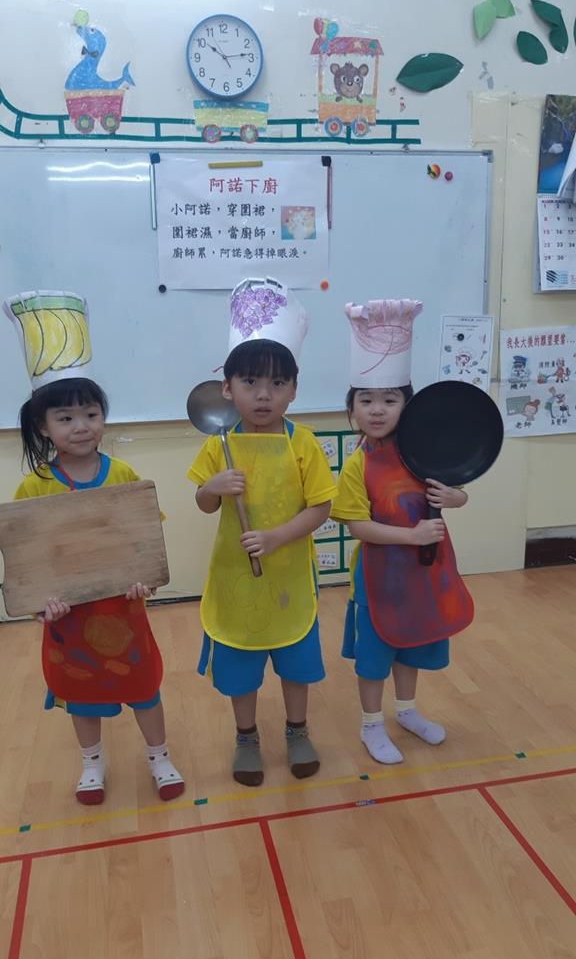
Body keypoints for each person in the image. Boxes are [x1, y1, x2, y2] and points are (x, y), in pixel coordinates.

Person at [4, 290, 185, 805]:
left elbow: (144, 540)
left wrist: (145, 581)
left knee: (143, 686)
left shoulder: (123, 475)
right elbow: (28, 557)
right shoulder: (35, 487)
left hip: (122, 608)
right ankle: (91, 763)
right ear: (43, 427)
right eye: (65, 418)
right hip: (69, 617)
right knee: (80, 692)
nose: (81, 426)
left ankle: (159, 756)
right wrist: (42, 604)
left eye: (90, 413)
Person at [187, 278, 335, 787]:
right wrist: (212, 487)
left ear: (294, 388)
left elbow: (321, 507)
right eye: (250, 382)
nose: (264, 394)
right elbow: (204, 504)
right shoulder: (219, 443)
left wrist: (275, 538)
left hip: (290, 577)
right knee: (241, 666)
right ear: (228, 388)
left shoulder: (304, 443)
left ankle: (297, 731)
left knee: (296, 663)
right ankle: (246, 737)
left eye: (277, 383)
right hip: (235, 578)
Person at [331, 299, 473, 764]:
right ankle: (371, 724)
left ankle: (407, 711)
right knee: (375, 656)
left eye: (390, 400)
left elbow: (458, 493)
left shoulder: (425, 453)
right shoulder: (357, 465)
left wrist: (456, 498)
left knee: (412, 643)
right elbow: (357, 524)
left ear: (408, 406)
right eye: (366, 400)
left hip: (424, 574)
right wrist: (411, 537)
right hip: (377, 581)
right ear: (351, 408)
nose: (377, 410)